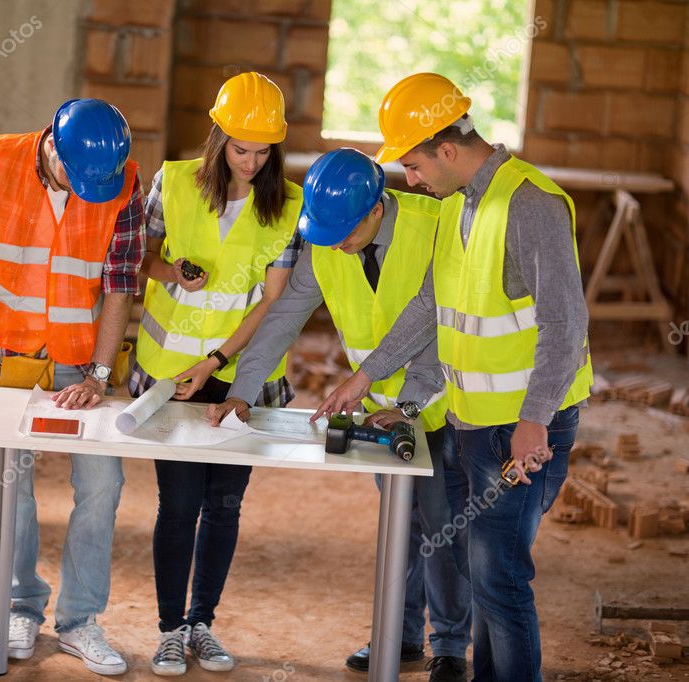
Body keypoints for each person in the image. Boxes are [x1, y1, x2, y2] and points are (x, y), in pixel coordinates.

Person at [311, 73, 592, 682]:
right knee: (487, 574)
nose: (408, 180)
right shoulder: (460, 205)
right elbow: (428, 308)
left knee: (500, 578)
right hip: (475, 423)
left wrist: (535, 420)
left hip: (523, 428)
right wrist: (365, 377)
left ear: (447, 148)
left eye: (412, 165)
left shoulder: (529, 204)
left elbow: (566, 325)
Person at [207, 148, 472, 682]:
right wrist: (244, 390)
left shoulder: (436, 222)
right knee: (400, 522)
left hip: (442, 402)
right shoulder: (324, 237)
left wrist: (395, 392)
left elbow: (439, 319)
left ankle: (448, 646)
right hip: (378, 411)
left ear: (377, 209)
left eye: (345, 233)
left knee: (442, 528)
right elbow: (285, 315)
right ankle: (398, 637)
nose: (336, 245)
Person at [0, 98, 145, 676]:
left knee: (102, 485)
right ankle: (19, 606)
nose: (85, 191)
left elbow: (121, 281)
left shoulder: (122, 178)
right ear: (53, 147)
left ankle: (80, 621)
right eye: (77, 181)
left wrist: (101, 372)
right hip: (6, 356)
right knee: (9, 490)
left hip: (80, 359)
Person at [130, 71, 304, 677]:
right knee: (178, 504)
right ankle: (169, 630)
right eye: (240, 148)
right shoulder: (172, 181)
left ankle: (202, 623)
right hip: (171, 374)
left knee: (224, 503)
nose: (252, 162)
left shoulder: (290, 206)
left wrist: (219, 361)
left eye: (263, 151)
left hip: (239, 375)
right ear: (219, 138)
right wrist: (172, 271)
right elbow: (140, 258)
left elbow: (273, 301)